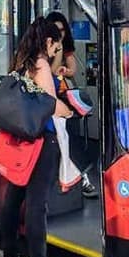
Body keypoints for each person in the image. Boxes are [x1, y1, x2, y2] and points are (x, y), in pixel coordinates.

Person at [0, 17, 74, 257]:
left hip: (20, 140)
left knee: (13, 198)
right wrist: (69, 109)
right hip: (41, 141)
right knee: (36, 205)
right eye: (57, 44)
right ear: (50, 41)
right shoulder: (41, 65)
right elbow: (50, 105)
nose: (57, 51)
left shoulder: (22, 61)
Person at [44, 11, 98, 199]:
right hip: (51, 98)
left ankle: (78, 176)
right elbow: (48, 72)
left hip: (63, 93)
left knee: (69, 136)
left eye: (62, 30)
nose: (61, 33)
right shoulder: (46, 51)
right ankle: (79, 176)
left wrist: (65, 70)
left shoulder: (64, 47)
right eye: (56, 30)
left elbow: (72, 68)